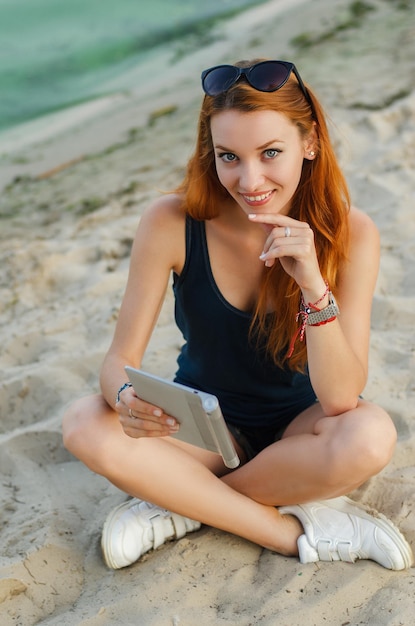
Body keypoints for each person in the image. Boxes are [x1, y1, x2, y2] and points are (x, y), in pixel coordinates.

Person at [62, 59, 413, 571]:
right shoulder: (171, 221)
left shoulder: (352, 233)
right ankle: (284, 533)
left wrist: (313, 285)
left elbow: (340, 399)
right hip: (203, 430)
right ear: (212, 152)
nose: (250, 180)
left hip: (301, 430)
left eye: (271, 153)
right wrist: (124, 398)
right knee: (83, 422)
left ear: (309, 142)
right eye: (229, 157)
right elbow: (119, 359)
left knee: (371, 435)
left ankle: (180, 501)